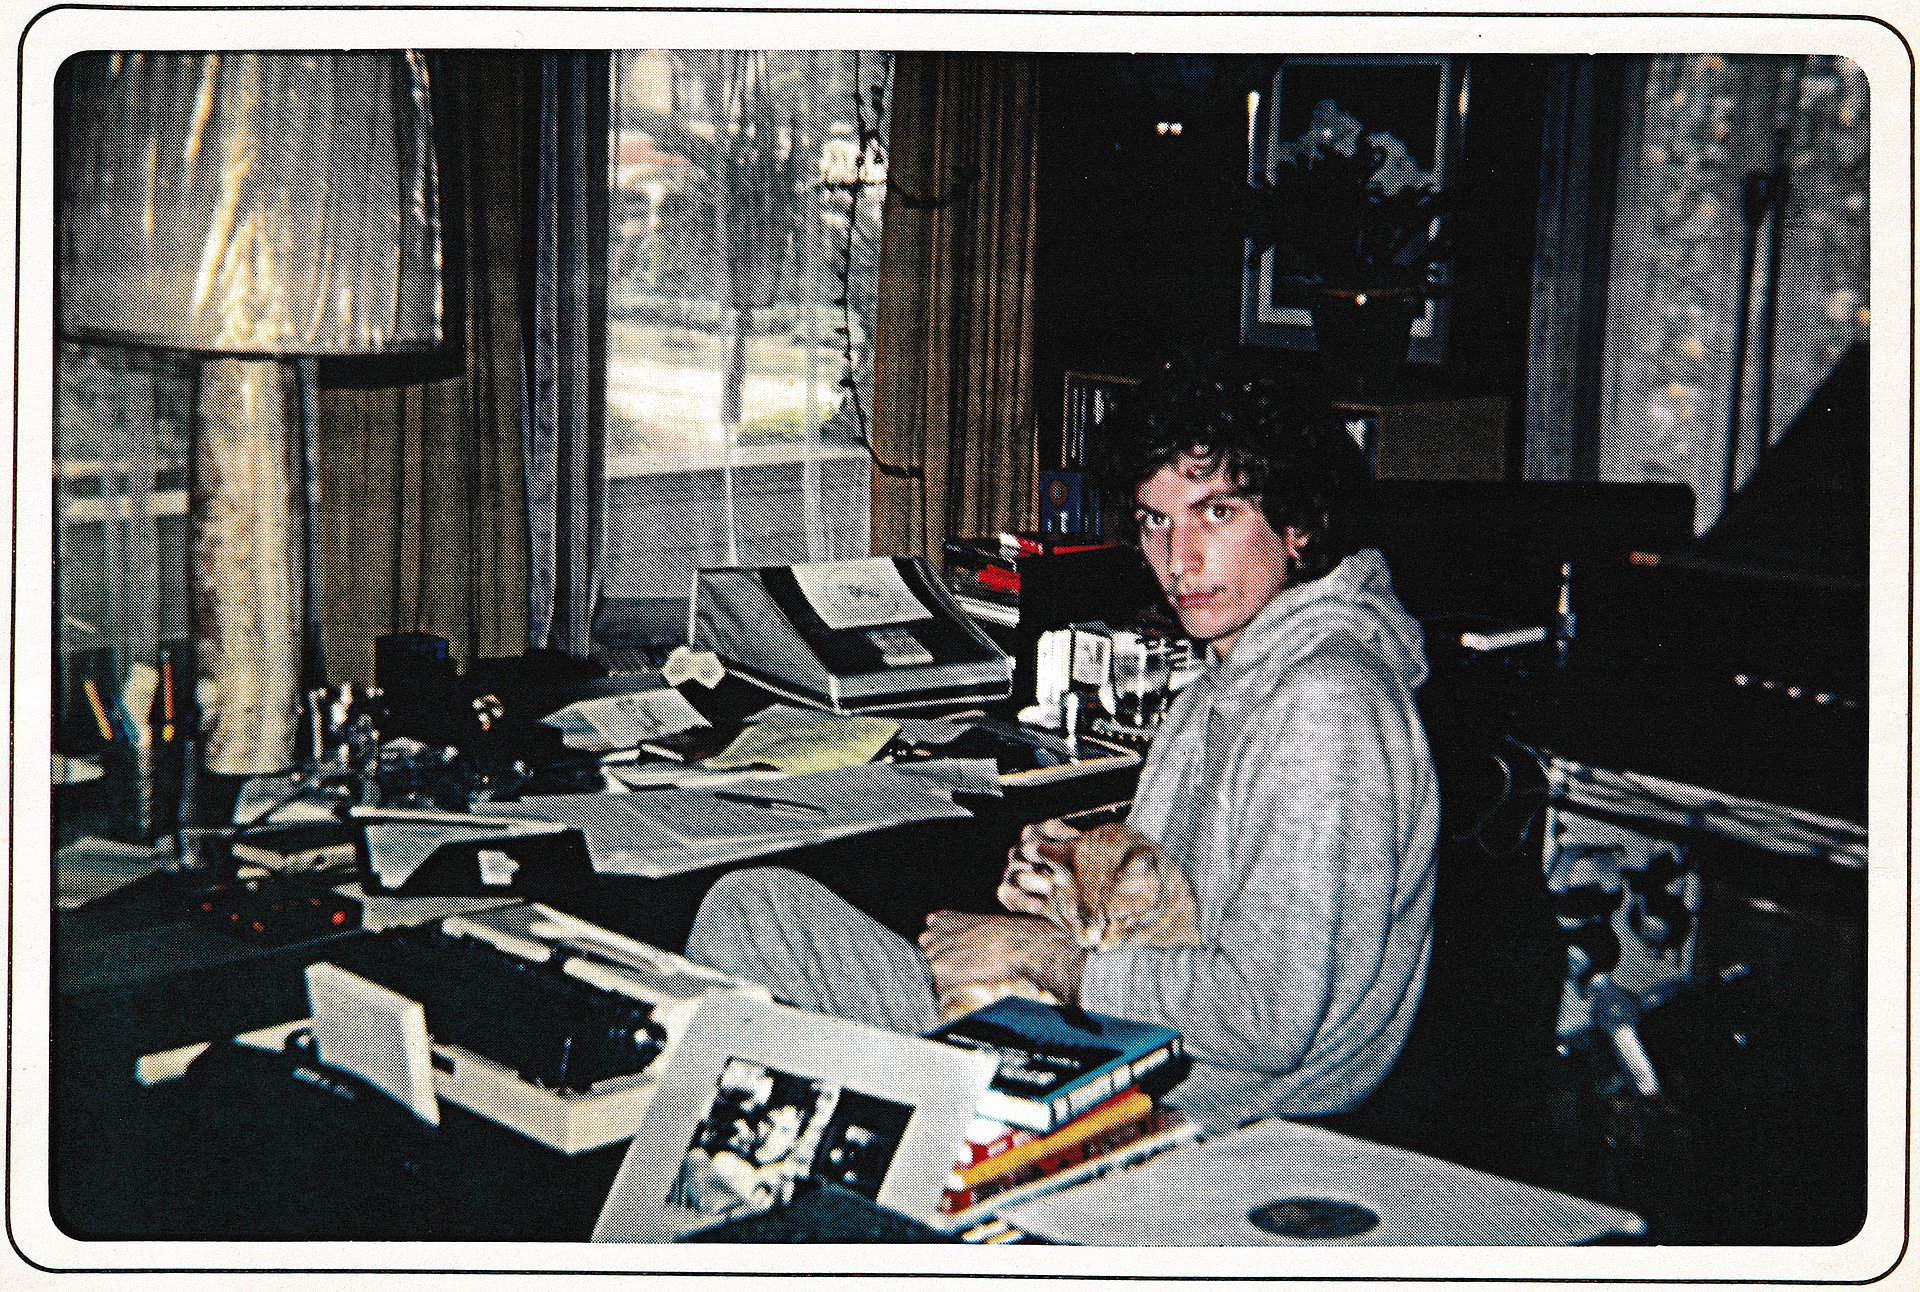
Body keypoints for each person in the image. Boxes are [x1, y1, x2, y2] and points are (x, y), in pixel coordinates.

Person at [685, 351, 1439, 1132]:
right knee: (757, 910)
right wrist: (1079, 887)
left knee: (753, 936)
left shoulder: (1326, 704)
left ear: (1299, 524)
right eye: (1157, 520)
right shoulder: (1233, 669)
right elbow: (1190, 913)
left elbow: (1266, 1017)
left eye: (1216, 513)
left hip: (1188, 1095)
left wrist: (1042, 957)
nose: (1178, 562)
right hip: (1129, 1041)